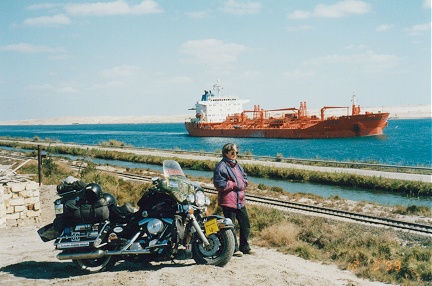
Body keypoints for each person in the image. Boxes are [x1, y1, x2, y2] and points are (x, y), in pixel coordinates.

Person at [213, 143, 253, 256]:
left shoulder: (237, 165)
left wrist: (244, 183)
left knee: (245, 224)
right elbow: (219, 184)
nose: (235, 154)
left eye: (236, 152)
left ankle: (244, 247)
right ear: (226, 153)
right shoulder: (221, 166)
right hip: (228, 201)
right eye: (232, 152)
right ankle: (234, 249)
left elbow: (244, 177)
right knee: (231, 226)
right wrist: (233, 184)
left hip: (240, 200)